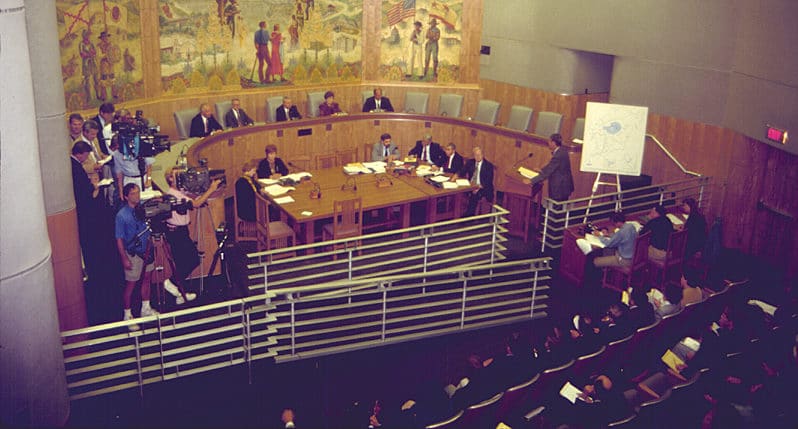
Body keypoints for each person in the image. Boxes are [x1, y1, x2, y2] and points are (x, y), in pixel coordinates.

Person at [163, 168, 221, 305]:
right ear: (170, 179)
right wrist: (212, 188)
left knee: (182, 262)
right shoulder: (175, 195)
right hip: (177, 233)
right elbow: (196, 204)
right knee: (192, 260)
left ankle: (180, 294)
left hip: (179, 231)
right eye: (178, 175)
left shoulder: (178, 192)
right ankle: (171, 282)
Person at [115, 183, 159, 330]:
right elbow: (119, 239)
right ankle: (127, 315)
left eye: (138, 192)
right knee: (131, 285)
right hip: (133, 253)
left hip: (147, 250)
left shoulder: (144, 208)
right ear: (126, 196)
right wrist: (124, 258)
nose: (137, 196)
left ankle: (145, 309)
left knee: (147, 279)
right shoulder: (122, 215)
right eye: (133, 193)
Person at [526, 133, 574, 201]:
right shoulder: (562, 150)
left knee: (556, 209)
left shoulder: (558, 155)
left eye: (549, 141)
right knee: (559, 209)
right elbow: (551, 166)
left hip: (560, 188)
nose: (548, 143)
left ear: (553, 143)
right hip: (564, 186)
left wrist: (531, 181)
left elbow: (548, 172)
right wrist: (541, 170)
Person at [457, 146, 495, 217]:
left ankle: (469, 215)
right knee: (458, 191)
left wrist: (478, 187)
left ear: (482, 155)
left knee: (474, 195)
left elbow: (488, 180)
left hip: (483, 187)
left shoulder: (488, 166)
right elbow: (462, 171)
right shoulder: (470, 162)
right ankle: (457, 211)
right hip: (471, 185)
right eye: (475, 155)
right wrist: (457, 175)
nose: (477, 157)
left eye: (479, 155)